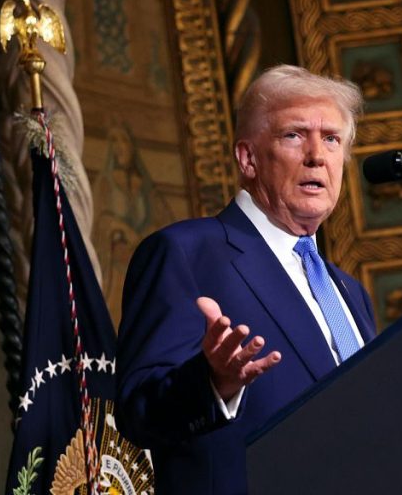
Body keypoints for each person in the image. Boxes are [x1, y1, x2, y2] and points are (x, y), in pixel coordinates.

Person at [116, 65, 377, 494]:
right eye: (294, 135)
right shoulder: (187, 252)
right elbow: (137, 411)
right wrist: (212, 383)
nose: (317, 155)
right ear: (248, 158)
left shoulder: (349, 292)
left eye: (331, 139)